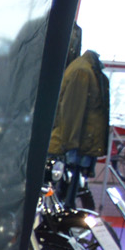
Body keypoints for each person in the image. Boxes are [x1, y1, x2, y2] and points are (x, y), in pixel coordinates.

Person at [48, 31, 109, 209]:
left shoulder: (88, 70)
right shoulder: (82, 72)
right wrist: (70, 146)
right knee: (64, 194)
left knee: (70, 192)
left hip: (78, 144)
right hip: (74, 145)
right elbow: (72, 112)